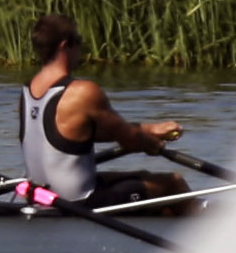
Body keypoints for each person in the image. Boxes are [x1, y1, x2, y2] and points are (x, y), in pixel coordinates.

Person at [16, 12, 191, 214]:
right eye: (79, 41)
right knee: (173, 184)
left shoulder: (27, 93)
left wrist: (149, 129)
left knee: (144, 181)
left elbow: (78, 134)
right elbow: (130, 140)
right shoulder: (82, 92)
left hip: (40, 199)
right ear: (65, 46)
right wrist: (152, 144)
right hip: (79, 204)